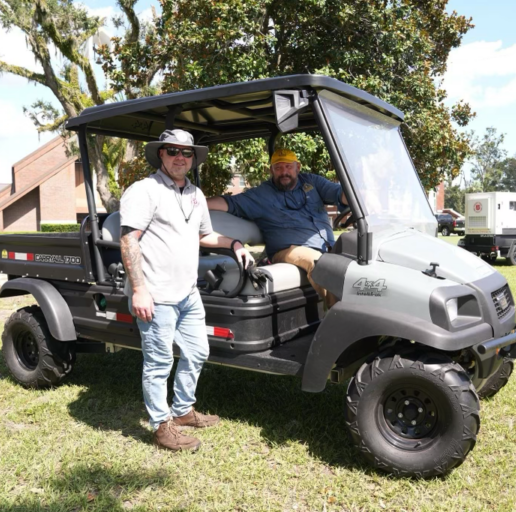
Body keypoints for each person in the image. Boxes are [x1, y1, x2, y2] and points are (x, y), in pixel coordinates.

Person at [119, 129, 254, 451]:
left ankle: (182, 411)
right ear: (160, 154)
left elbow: (204, 235)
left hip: (187, 293)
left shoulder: (194, 193)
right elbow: (128, 240)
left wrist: (234, 243)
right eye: (172, 151)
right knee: (158, 363)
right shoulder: (144, 190)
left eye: (186, 152)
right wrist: (140, 289)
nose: (180, 157)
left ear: (193, 158)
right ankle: (161, 425)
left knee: (197, 352)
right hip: (157, 294)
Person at [207, 148, 346, 307]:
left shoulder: (312, 182)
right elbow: (229, 203)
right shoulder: (261, 194)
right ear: (271, 170)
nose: (284, 172)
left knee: (357, 259)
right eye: (278, 168)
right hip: (288, 250)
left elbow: (339, 194)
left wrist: (359, 194)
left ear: (297, 167)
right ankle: (339, 315)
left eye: (288, 167)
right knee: (319, 264)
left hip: (327, 248)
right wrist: (195, 202)